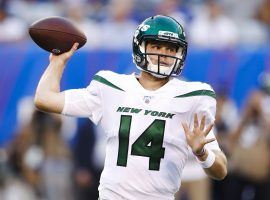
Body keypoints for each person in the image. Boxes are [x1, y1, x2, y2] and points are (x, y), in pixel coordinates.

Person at [34, 15, 227, 200]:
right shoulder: (110, 86)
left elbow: (221, 170)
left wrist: (202, 153)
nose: (164, 54)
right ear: (140, 47)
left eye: (171, 49)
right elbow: (45, 99)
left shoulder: (194, 97)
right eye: (157, 46)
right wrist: (58, 62)